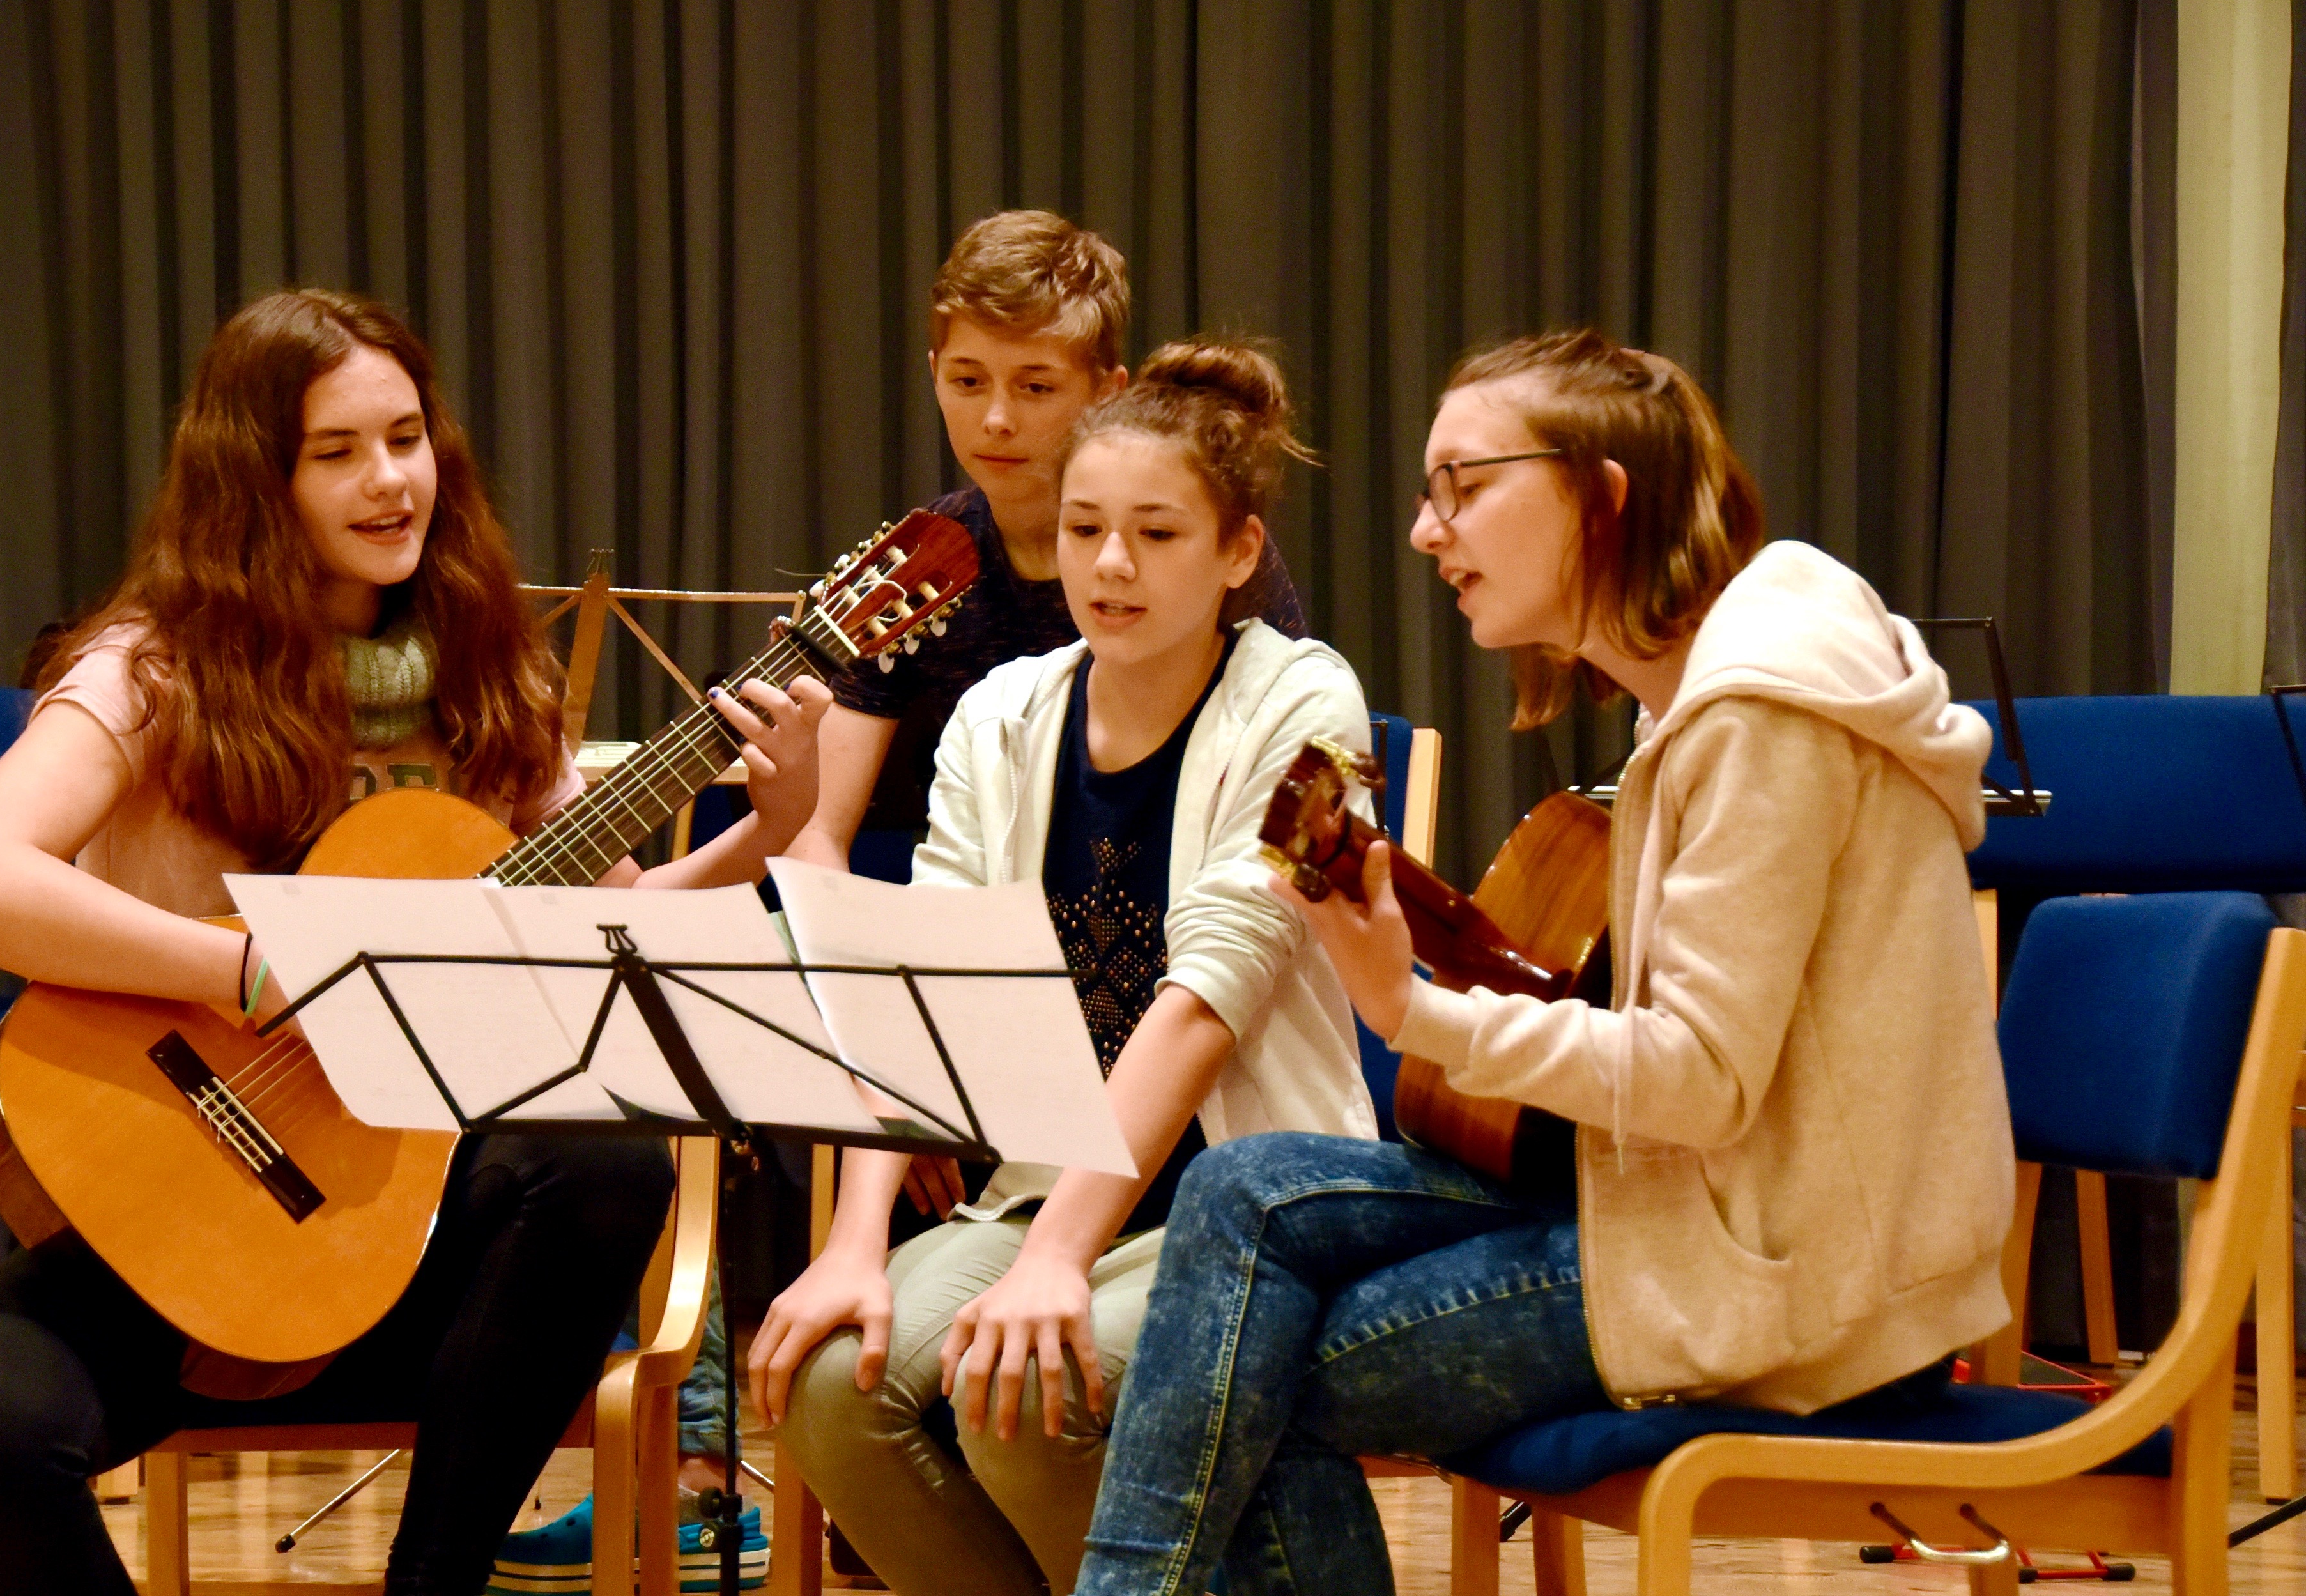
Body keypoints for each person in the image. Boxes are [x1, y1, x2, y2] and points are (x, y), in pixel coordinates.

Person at [0, 289, 831, 1596]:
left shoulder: (486, 676)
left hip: (427, 1259)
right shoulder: (150, 670)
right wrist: (248, 967)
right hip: (187, 1223)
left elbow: (628, 921)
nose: (390, 479)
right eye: (337, 450)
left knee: (609, 1163)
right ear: (253, 477)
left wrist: (770, 830)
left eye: (406, 438)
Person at [1070, 329, 2018, 1595]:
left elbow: (1700, 1078)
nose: (1425, 528)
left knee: (1248, 1366)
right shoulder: (1697, 696)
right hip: (1697, 1214)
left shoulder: (1762, 716)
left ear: (1602, 494)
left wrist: (1414, 1008)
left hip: (1800, 1282)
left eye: (1464, 484)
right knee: (1242, 1189)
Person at [753, 340, 1379, 1596]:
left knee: (1023, 1385)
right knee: (832, 1383)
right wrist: (856, 1241)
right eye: (1087, 527)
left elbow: (1212, 997)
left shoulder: (1313, 702)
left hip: (1244, 1209)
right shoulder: (1003, 714)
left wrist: (1052, 1264)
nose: (1108, 564)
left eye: (1155, 533)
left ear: (1239, 552)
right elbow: (926, 984)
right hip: (1041, 1195)